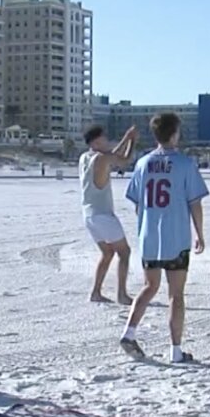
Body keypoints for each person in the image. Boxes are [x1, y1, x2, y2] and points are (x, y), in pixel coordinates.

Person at [119, 112, 209, 363]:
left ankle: (129, 332)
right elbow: (195, 203)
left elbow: (137, 204)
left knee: (149, 286)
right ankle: (175, 351)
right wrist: (200, 234)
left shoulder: (143, 163)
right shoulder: (184, 164)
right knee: (176, 294)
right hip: (176, 238)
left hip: (149, 237)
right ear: (174, 133)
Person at [79, 124, 138, 304]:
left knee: (107, 253)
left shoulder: (85, 157)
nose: (107, 140)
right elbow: (124, 160)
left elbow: (111, 155)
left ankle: (96, 292)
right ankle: (121, 294)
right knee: (124, 252)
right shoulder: (102, 158)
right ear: (96, 142)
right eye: (104, 138)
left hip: (88, 214)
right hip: (103, 214)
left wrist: (126, 138)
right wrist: (131, 140)